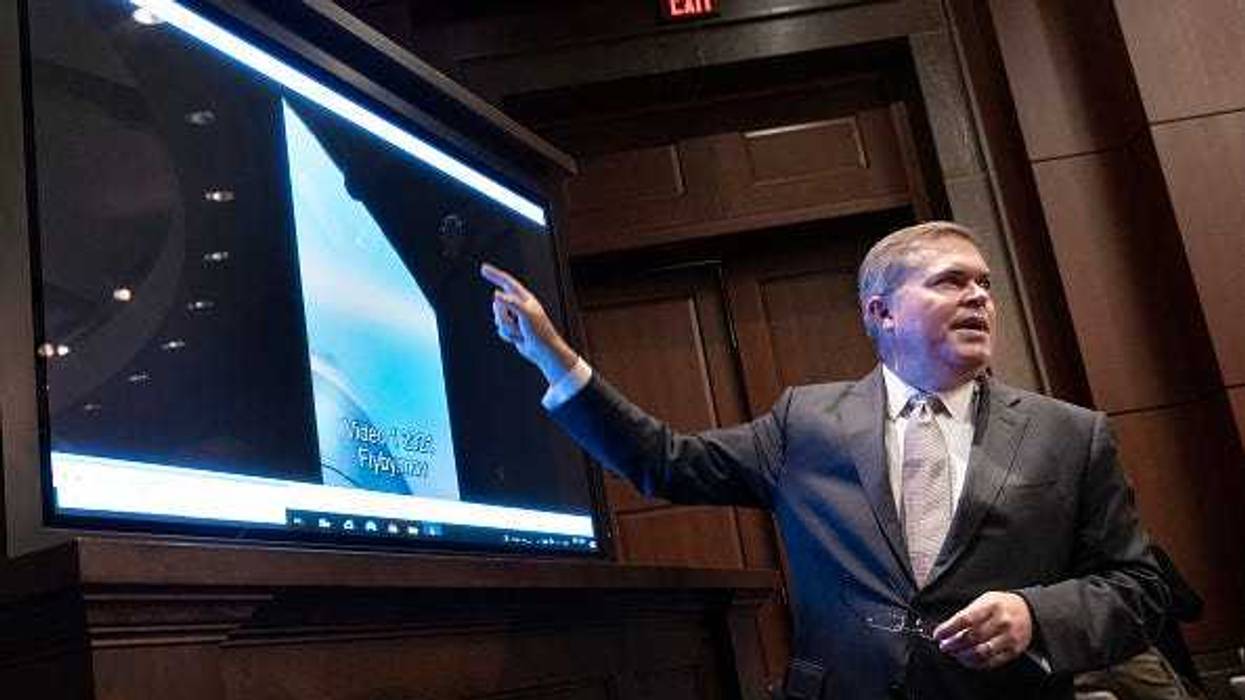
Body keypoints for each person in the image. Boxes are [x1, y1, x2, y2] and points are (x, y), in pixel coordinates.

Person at [481, 221, 1168, 700]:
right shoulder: (804, 424)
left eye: (984, 284)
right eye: (950, 282)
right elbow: (666, 462)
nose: (979, 297)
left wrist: (1034, 615)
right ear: (882, 311)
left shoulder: (1069, 434)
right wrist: (556, 361)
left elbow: (1139, 588)